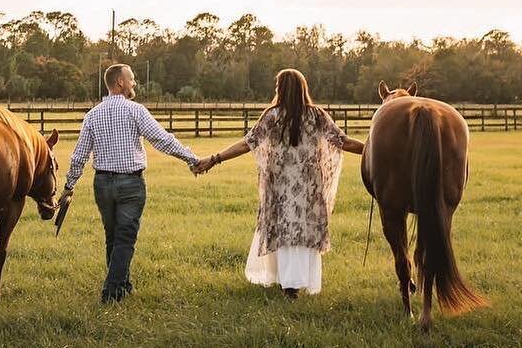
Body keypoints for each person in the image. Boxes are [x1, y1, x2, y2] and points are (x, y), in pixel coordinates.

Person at [194, 68, 363, 298]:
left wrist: (214, 159)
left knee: (285, 230)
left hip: (281, 188)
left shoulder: (273, 116)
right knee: (303, 231)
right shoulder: (317, 115)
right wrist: (374, 150)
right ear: (303, 88)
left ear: (281, 89)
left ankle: (289, 285)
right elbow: (344, 142)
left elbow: (247, 143)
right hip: (309, 187)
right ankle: (294, 283)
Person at [60, 63, 202, 303]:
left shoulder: (92, 115)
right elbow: (162, 139)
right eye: (132, 79)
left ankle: (123, 285)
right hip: (130, 184)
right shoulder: (135, 110)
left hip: (102, 184)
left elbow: (79, 155)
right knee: (125, 238)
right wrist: (192, 159)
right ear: (120, 83)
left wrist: (69, 185)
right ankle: (111, 292)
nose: (134, 83)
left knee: (113, 236)